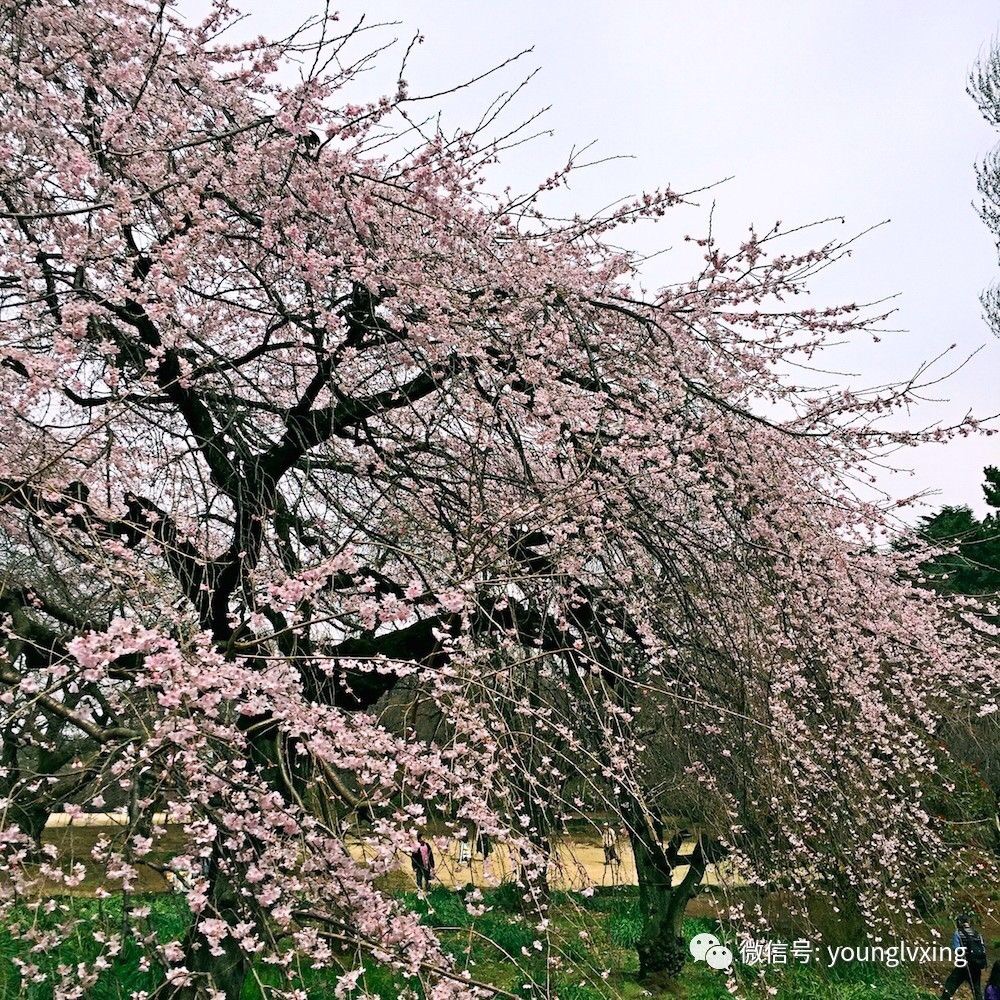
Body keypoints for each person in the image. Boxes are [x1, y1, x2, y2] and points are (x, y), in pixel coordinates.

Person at [941, 913, 988, 1000]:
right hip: (976, 966)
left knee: (950, 985)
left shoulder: (958, 933)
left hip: (963, 965)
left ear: (959, 922)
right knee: (977, 990)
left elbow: (956, 949)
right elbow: (983, 949)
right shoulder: (977, 934)